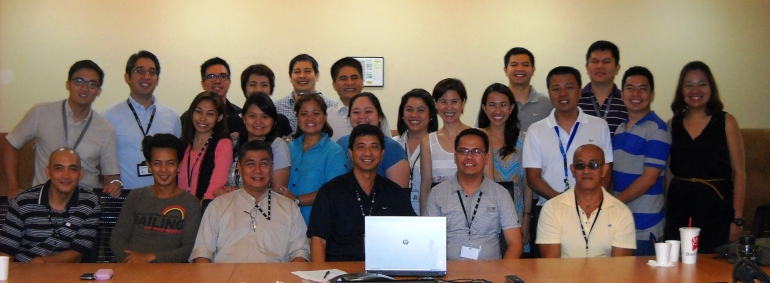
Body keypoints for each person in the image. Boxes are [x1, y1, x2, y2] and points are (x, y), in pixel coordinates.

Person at [522, 66, 613, 257]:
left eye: (569, 87)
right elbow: (533, 178)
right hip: (549, 212)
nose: (563, 94)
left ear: (580, 91)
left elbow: (606, 172)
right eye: (556, 88)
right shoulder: (536, 130)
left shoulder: (598, 126)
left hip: (592, 212)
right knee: (548, 273)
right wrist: (566, 203)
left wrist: (589, 205)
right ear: (549, 93)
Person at [3, 60, 121, 198]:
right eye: (79, 81)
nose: (84, 88)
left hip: (84, 201)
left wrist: (115, 183)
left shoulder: (106, 129)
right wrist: (13, 187)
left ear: (99, 91)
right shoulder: (41, 113)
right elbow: (11, 144)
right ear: (68, 84)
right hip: (43, 199)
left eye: (92, 84)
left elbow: (111, 175)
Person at [664, 61, 745, 253]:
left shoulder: (726, 121)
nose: (695, 90)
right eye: (688, 85)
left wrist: (738, 218)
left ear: (711, 89)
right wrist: (668, 210)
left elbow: (739, 173)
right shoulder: (671, 125)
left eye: (702, 84)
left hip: (716, 209)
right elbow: (668, 173)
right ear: (681, 91)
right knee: (677, 268)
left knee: (713, 268)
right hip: (679, 210)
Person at [308, 124, 416, 262]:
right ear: (351, 153)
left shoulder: (395, 192)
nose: (367, 153)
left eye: (374, 146)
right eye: (361, 147)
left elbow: (411, 233)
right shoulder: (330, 191)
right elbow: (318, 240)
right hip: (340, 273)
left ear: (382, 154)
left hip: (384, 272)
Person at [190, 140, 310, 263]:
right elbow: (202, 252)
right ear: (240, 168)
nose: (257, 170)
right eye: (250, 164)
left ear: (272, 167)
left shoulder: (289, 207)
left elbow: (300, 252)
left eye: (264, 164)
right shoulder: (219, 205)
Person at [426, 128, 522, 260]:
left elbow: (515, 244)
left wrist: (502, 273)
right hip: (449, 274)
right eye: (463, 151)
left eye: (477, 151)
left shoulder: (500, 194)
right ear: (455, 157)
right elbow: (429, 242)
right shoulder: (437, 194)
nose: (469, 157)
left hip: (491, 273)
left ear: (486, 158)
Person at [109, 134, 202, 263]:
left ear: (179, 165)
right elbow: (117, 238)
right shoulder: (135, 196)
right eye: (157, 163)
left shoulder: (191, 203)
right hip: (130, 268)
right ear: (149, 165)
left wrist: (150, 258)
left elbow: (189, 249)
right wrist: (131, 261)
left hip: (170, 273)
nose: (163, 170)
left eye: (170, 163)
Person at [0, 148, 101, 263]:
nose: (66, 175)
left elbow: (79, 251)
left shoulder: (90, 203)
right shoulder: (22, 202)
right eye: (59, 168)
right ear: (48, 172)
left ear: (81, 173)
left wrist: (44, 263)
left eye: (73, 169)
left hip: (66, 273)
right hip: (24, 270)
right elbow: (5, 252)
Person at [537, 144, 636, 258]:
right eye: (580, 166)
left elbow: (621, 268)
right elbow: (551, 266)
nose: (586, 170)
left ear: (604, 170)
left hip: (607, 276)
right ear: (573, 170)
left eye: (593, 165)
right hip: (564, 275)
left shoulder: (622, 212)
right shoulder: (552, 208)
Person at [102, 50, 182, 192]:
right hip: (125, 198)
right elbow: (103, 162)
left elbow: (178, 159)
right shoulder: (109, 117)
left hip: (164, 198)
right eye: (140, 71)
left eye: (152, 72)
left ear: (157, 79)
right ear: (127, 77)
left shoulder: (172, 117)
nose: (146, 77)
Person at [611, 66, 671, 256]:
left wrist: (613, 204)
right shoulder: (620, 129)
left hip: (645, 227)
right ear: (622, 94)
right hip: (622, 223)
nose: (636, 93)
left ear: (652, 94)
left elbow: (649, 179)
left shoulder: (657, 129)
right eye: (630, 88)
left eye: (642, 88)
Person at [477, 83, 531, 254]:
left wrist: (526, 220)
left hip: (515, 217)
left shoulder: (524, 140)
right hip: (482, 217)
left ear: (512, 108)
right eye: (492, 105)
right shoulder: (476, 139)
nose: (498, 111)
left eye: (503, 105)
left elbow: (528, 184)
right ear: (484, 108)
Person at [277, 93, 347, 224]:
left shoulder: (334, 152)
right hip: (285, 225)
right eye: (304, 114)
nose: (310, 118)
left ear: (325, 117)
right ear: (297, 117)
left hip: (318, 226)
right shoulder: (287, 148)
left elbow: (334, 192)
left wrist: (296, 199)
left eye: (316, 113)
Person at [222, 93, 291, 196]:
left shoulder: (278, 146)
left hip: (264, 209)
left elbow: (278, 191)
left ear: (273, 120)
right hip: (230, 206)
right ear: (244, 118)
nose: (258, 122)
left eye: (265, 116)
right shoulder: (234, 143)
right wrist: (226, 190)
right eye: (252, 116)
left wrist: (239, 193)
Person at [419, 78, 472, 214]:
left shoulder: (477, 137)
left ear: (463, 103)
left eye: (454, 101)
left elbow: (488, 181)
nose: (449, 107)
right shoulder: (427, 141)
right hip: (440, 213)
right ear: (435, 104)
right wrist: (425, 222)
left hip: (472, 212)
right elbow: (426, 186)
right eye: (443, 101)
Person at [336, 93, 409, 188]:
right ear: (349, 118)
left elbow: (399, 195)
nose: (362, 116)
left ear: (380, 117)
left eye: (368, 111)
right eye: (356, 112)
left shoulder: (393, 149)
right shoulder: (341, 144)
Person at [178, 92, 233, 200]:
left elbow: (217, 184)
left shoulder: (223, 144)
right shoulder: (182, 144)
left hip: (205, 209)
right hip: (178, 209)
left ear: (219, 117)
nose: (202, 119)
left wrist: (198, 209)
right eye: (199, 112)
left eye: (210, 114)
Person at [394, 89, 439, 215]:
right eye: (409, 109)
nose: (414, 115)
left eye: (421, 110)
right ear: (402, 114)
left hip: (429, 212)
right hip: (396, 213)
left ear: (431, 115)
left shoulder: (438, 146)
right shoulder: (392, 145)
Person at [326, 57, 391, 142]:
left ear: (362, 82)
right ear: (334, 85)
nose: (349, 83)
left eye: (354, 77)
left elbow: (388, 145)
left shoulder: (376, 116)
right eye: (343, 78)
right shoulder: (326, 117)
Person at [274, 54, 336, 132]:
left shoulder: (331, 106)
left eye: (307, 71)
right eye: (297, 71)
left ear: (317, 76)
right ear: (290, 77)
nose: (302, 75)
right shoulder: (276, 108)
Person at [578, 40, 628, 136]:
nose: (600, 66)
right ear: (587, 68)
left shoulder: (627, 101)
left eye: (606, 61)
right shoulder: (576, 100)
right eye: (595, 61)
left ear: (617, 68)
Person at [500, 47, 553, 132]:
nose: (520, 69)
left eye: (525, 65)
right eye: (514, 65)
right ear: (505, 70)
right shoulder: (496, 103)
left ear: (533, 70)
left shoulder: (548, 103)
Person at [238, 64, 292, 137]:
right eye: (253, 84)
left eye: (264, 85)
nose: (258, 90)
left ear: (271, 89)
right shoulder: (234, 121)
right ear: (244, 88)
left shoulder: (281, 121)